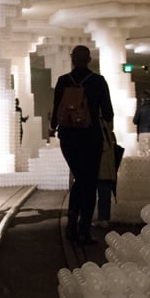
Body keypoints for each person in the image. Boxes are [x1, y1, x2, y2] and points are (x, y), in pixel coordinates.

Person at [49, 46, 114, 244]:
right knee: (89, 182)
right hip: (90, 137)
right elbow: (108, 112)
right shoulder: (98, 81)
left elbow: (55, 111)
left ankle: (71, 223)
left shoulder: (62, 81)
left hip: (68, 138)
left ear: (72, 59)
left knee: (79, 178)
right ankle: (83, 229)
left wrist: (55, 128)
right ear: (89, 59)